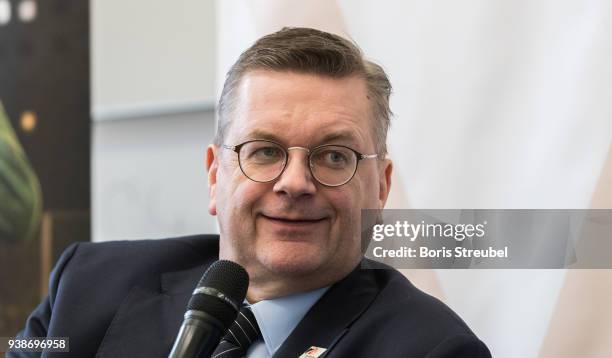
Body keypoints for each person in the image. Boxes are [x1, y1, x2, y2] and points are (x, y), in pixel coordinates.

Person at [13, 28, 491, 357]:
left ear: (381, 187)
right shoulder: (86, 286)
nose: (295, 183)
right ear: (213, 175)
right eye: (264, 151)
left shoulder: (433, 349)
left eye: (334, 156)